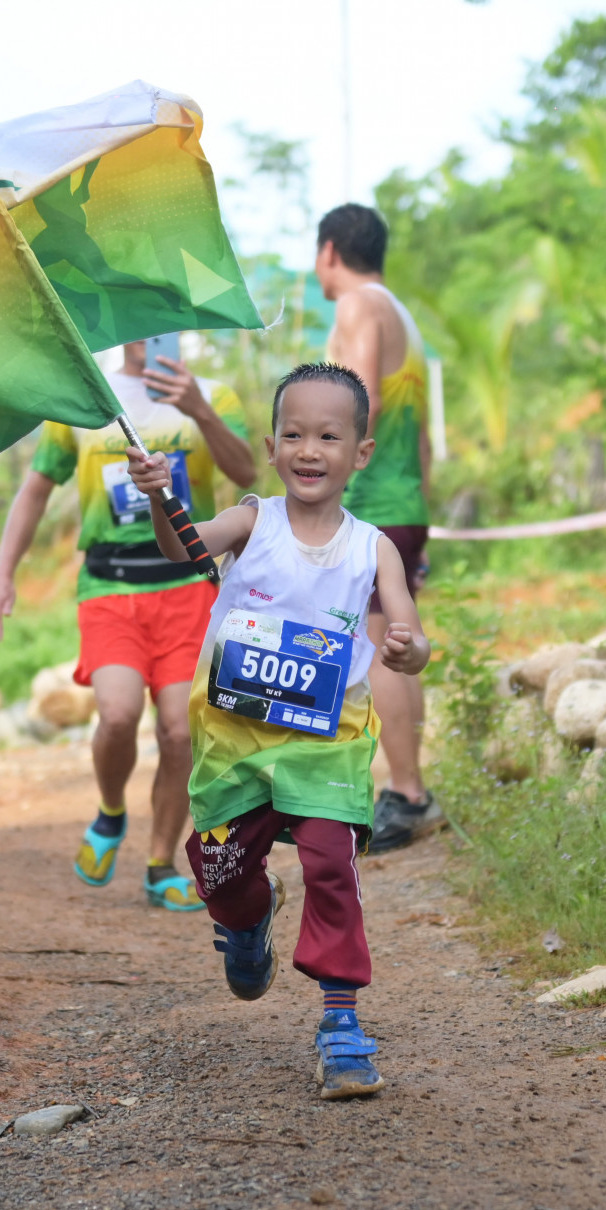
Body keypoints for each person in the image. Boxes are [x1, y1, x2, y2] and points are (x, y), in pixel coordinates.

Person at [126, 362, 430, 1100]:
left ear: (359, 452)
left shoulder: (374, 547)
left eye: (328, 435)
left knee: (331, 861)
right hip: (233, 740)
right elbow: (182, 548)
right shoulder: (253, 519)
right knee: (223, 876)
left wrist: (407, 647)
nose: (309, 449)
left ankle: (341, 1022)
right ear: (271, 444)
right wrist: (163, 494)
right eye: (294, 433)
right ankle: (248, 917)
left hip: (325, 740)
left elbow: (413, 636)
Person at [0, 338, 256, 911]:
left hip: (186, 585)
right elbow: (35, 490)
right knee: (118, 714)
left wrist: (199, 409)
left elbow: (245, 470)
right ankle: (110, 812)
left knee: (180, 732)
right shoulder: (83, 403)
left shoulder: (212, 395)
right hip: (110, 589)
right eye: (140, 321)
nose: (151, 335)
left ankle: (160, 865)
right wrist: (3, 575)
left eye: (164, 322)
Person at [314, 203, 442, 851]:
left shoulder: (358, 304)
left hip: (372, 504)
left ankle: (409, 792)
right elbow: (420, 439)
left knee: (379, 650)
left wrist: (317, 494)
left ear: (328, 250)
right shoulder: (402, 312)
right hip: (406, 503)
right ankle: (411, 789)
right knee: (398, 638)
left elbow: (360, 396)